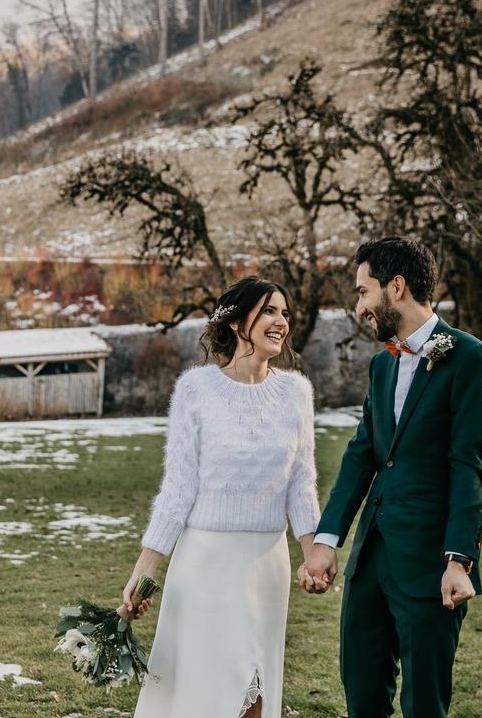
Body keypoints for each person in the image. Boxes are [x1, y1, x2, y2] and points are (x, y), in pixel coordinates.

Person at [300, 236, 482, 717]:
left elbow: (468, 468)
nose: (359, 306)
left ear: (396, 287)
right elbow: (362, 455)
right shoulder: (381, 364)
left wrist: (459, 561)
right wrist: (327, 541)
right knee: (361, 696)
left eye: (363, 292)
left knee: (423, 706)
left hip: (432, 567)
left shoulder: (470, 359)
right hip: (371, 560)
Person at [124, 276, 322, 718]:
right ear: (236, 323)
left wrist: (313, 557)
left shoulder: (297, 393)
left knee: (255, 693)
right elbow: (177, 487)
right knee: (204, 692)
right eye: (269, 310)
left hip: (268, 564)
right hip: (206, 562)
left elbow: (301, 484)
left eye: (284, 313)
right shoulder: (196, 390)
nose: (280, 321)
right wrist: (145, 569)